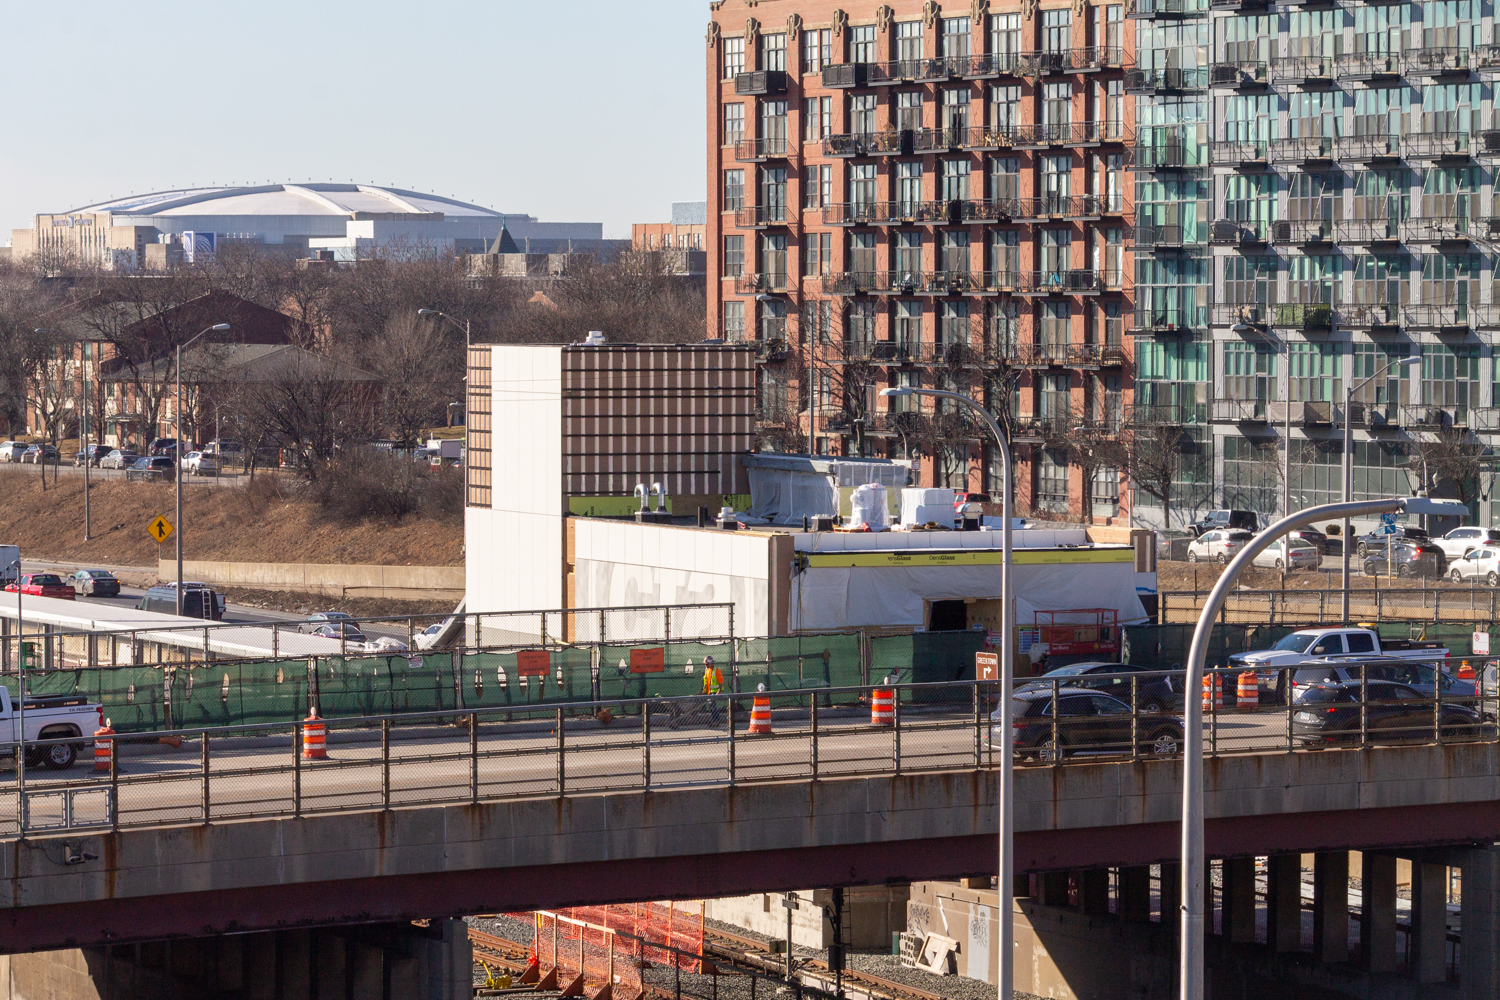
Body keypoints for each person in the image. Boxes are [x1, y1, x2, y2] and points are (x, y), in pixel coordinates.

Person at [701, 655, 725, 724]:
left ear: (711, 663)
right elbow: (706, 682)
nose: (706, 665)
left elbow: (721, 681)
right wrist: (704, 691)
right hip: (710, 691)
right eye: (705, 664)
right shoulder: (707, 670)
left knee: (712, 706)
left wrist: (718, 691)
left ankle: (716, 720)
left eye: (707, 664)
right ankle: (715, 720)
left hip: (715, 691)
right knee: (711, 706)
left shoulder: (716, 670)